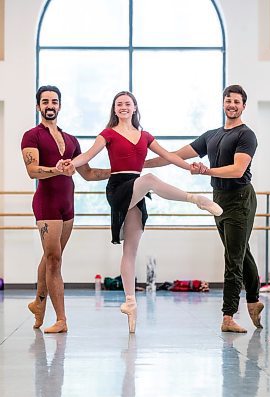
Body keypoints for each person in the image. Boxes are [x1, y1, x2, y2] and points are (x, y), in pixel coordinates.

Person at [58, 90, 223, 334]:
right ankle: (195, 199)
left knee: (131, 252)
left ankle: (131, 303)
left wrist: (193, 168)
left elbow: (169, 156)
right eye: (119, 104)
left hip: (136, 191)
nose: (123, 107)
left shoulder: (145, 136)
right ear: (114, 110)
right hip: (118, 188)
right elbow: (89, 155)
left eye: (128, 103)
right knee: (149, 179)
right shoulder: (108, 134)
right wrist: (71, 164)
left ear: (135, 108)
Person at [144, 85, 264, 333]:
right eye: (228, 100)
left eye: (237, 102)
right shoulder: (211, 135)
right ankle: (254, 298)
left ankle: (228, 316)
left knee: (233, 257)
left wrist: (206, 170)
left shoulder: (246, 135)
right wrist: (141, 162)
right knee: (239, 251)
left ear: (243, 106)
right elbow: (175, 155)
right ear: (223, 103)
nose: (232, 105)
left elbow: (237, 169)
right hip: (218, 197)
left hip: (240, 198)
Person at [21, 85, 110, 334]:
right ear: (38, 105)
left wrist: (119, 172)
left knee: (52, 258)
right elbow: (32, 171)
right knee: (54, 260)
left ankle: (38, 304)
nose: (50, 105)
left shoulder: (71, 140)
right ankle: (61, 319)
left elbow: (89, 173)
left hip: (67, 204)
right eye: (45, 101)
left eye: (54, 101)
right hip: (46, 203)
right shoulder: (32, 136)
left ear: (60, 105)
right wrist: (56, 170)